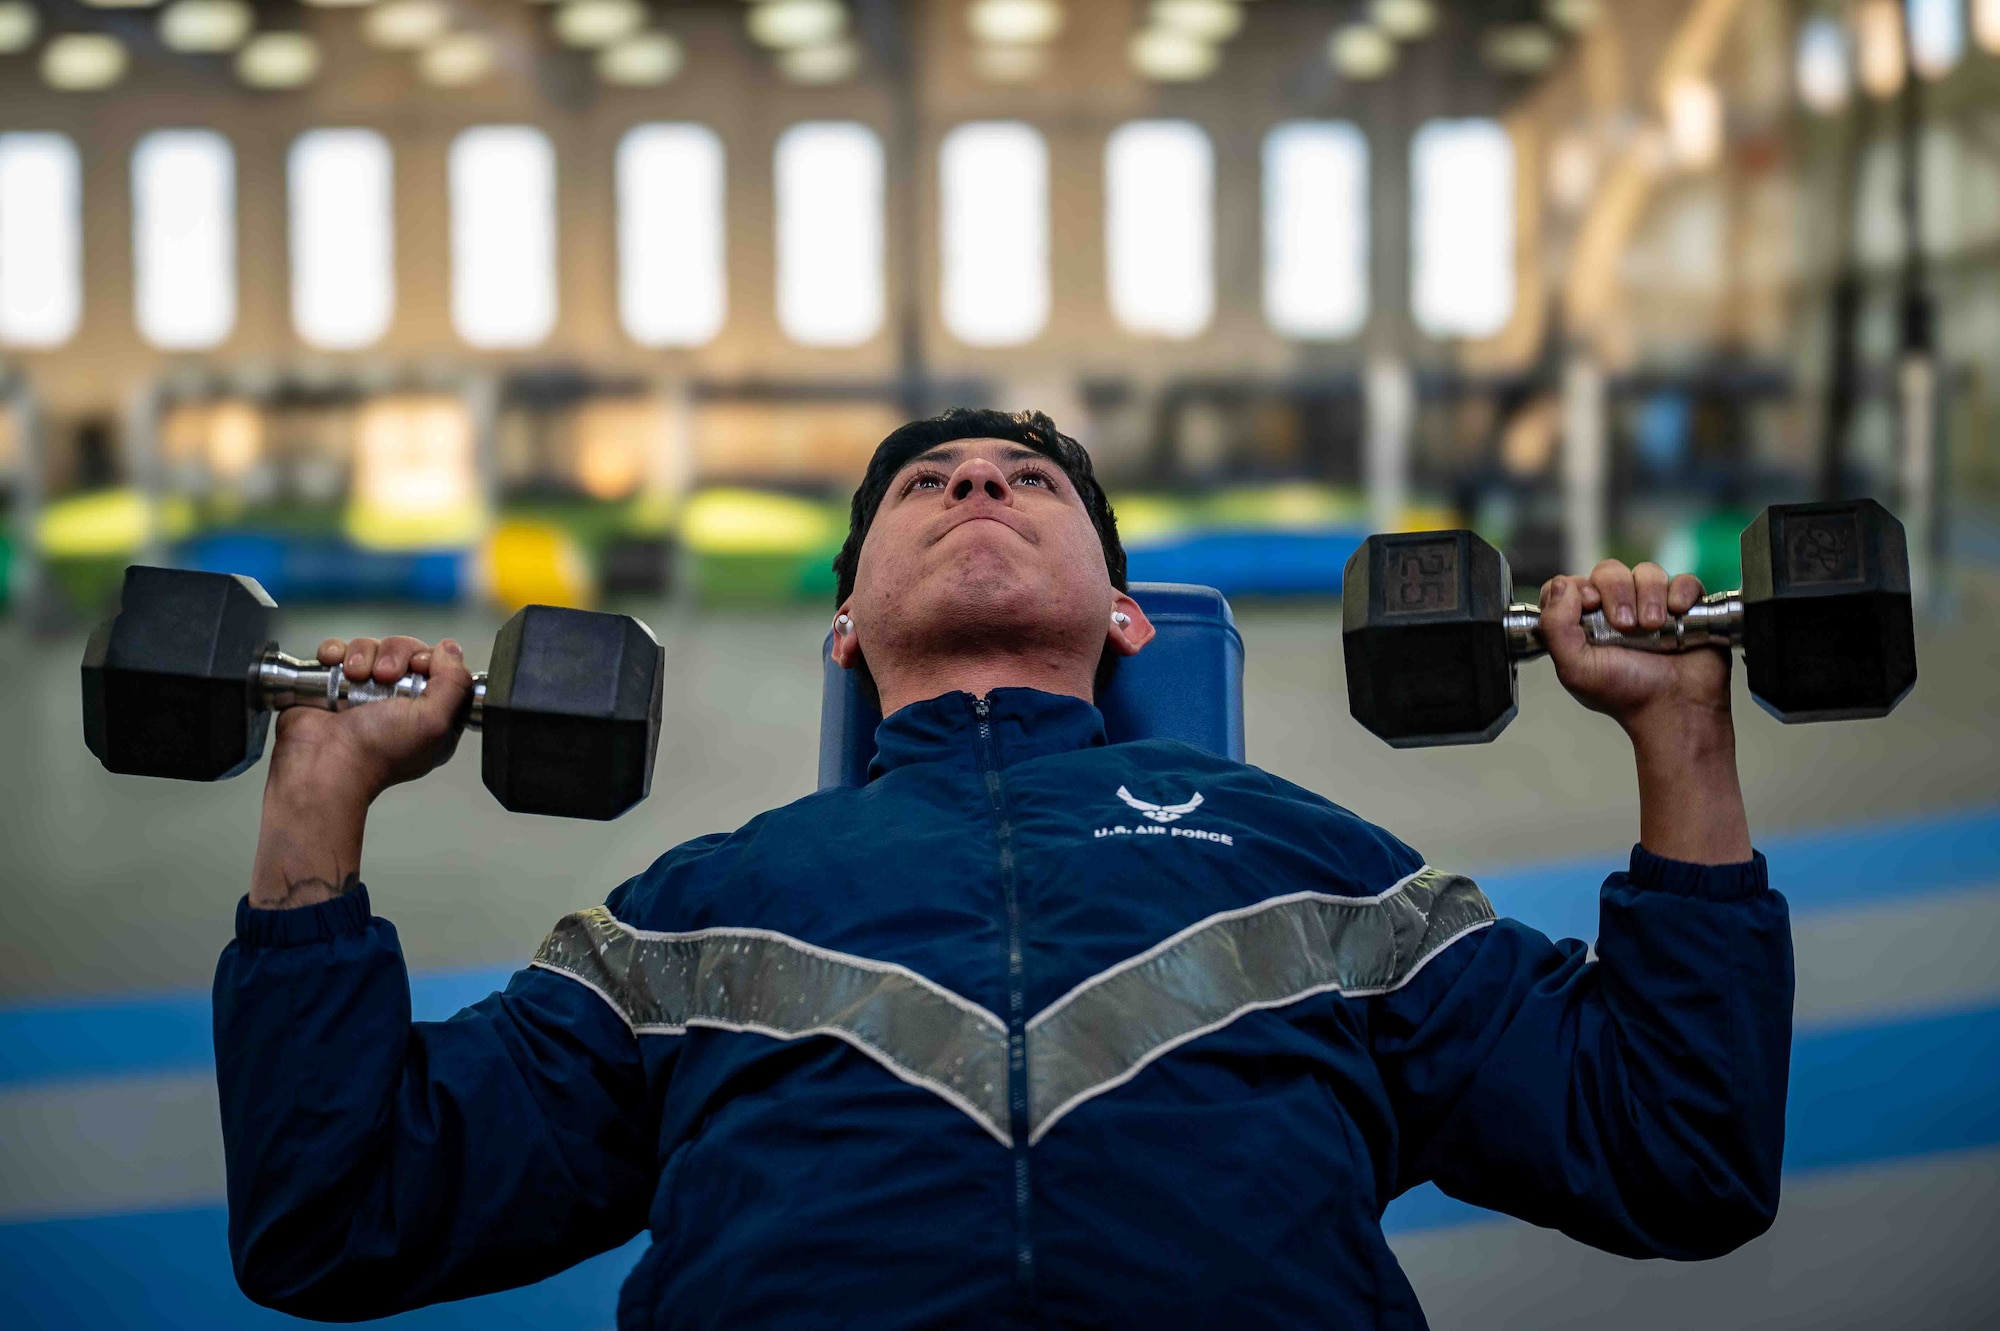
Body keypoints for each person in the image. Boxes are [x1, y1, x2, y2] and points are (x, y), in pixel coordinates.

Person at [216, 409, 1791, 1329]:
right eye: (929, 486)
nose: (978, 487)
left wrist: (1680, 735)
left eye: (1029, 484)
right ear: (847, 628)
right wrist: (321, 789)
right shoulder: (688, 910)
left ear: (1125, 616)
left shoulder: (1314, 861)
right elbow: (338, 1209)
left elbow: (1673, 1151)